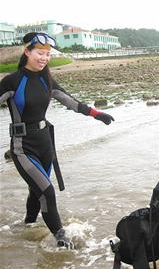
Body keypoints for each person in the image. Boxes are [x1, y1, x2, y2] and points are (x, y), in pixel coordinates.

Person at [0, 32, 114, 248]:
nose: (44, 58)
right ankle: (61, 239)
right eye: (39, 53)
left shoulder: (47, 80)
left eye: (48, 54)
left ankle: (27, 229)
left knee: (36, 192)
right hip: (22, 148)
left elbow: (71, 102)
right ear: (27, 52)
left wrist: (98, 114)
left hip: (45, 145)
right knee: (46, 191)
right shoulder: (12, 81)